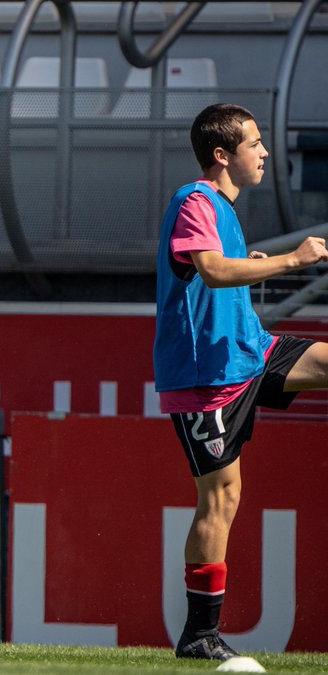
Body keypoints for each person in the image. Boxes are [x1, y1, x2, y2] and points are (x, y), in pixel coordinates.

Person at [154, 103, 328, 661]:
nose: (266, 152)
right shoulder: (196, 200)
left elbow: (219, 268)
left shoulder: (221, 210)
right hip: (209, 377)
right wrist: (289, 261)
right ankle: (199, 637)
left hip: (249, 351)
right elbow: (211, 270)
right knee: (221, 500)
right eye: (255, 143)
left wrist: (248, 259)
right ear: (223, 155)